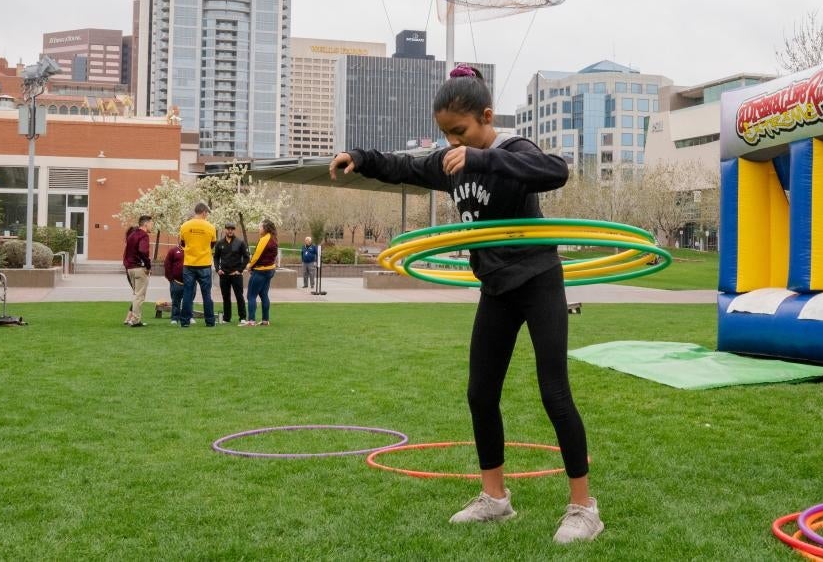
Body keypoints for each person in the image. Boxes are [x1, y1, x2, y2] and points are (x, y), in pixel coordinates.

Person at [328, 64, 601, 544]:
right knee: (480, 393)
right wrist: (360, 157)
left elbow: (554, 171)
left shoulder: (512, 151)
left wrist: (482, 159)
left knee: (554, 393)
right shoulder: (449, 160)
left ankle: (584, 508)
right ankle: (495, 499)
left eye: (461, 132)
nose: (453, 143)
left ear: (487, 117)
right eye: (446, 135)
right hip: (495, 286)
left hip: (537, 279)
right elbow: (404, 166)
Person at [179, 202, 217, 327]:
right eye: (207, 213)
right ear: (204, 212)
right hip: (204, 264)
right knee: (207, 294)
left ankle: (185, 321)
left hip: (189, 264)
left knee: (187, 293)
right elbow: (212, 244)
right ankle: (210, 321)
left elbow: (183, 243)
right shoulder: (211, 227)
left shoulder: (184, 226)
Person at [242, 219, 278, 326]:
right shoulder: (274, 238)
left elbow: (257, 255)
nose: (259, 228)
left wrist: (249, 265)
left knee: (251, 296)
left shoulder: (264, 239)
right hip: (270, 270)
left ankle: (251, 321)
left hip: (261, 271)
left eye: (260, 227)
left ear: (265, 228)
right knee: (264, 295)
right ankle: (265, 320)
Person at [213, 221, 249, 324]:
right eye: (228, 229)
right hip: (224, 275)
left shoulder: (240, 242)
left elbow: (246, 258)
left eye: (232, 229)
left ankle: (242, 317)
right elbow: (216, 257)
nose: (230, 231)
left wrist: (240, 270)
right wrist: (217, 269)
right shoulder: (220, 243)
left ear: (234, 230)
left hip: (236, 275)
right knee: (226, 297)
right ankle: (226, 318)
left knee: (239, 296)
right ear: (225, 230)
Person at [122, 215, 153, 327]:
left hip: (130, 268)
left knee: (136, 294)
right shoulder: (143, 235)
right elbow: (143, 251)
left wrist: (127, 266)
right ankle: (135, 320)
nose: (152, 225)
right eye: (151, 223)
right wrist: (148, 265)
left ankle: (132, 318)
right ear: (145, 224)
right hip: (139, 268)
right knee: (139, 296)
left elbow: (126, 253)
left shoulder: (131, 235)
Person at [163, 239, 185, 325]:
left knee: (189, 300)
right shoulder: (173, 251)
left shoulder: (192, 250)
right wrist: (170, 278)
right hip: (176, 281)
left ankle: (188, 316)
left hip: (190, 282)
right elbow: (167, 264)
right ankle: (175, 318)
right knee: (175, 301)